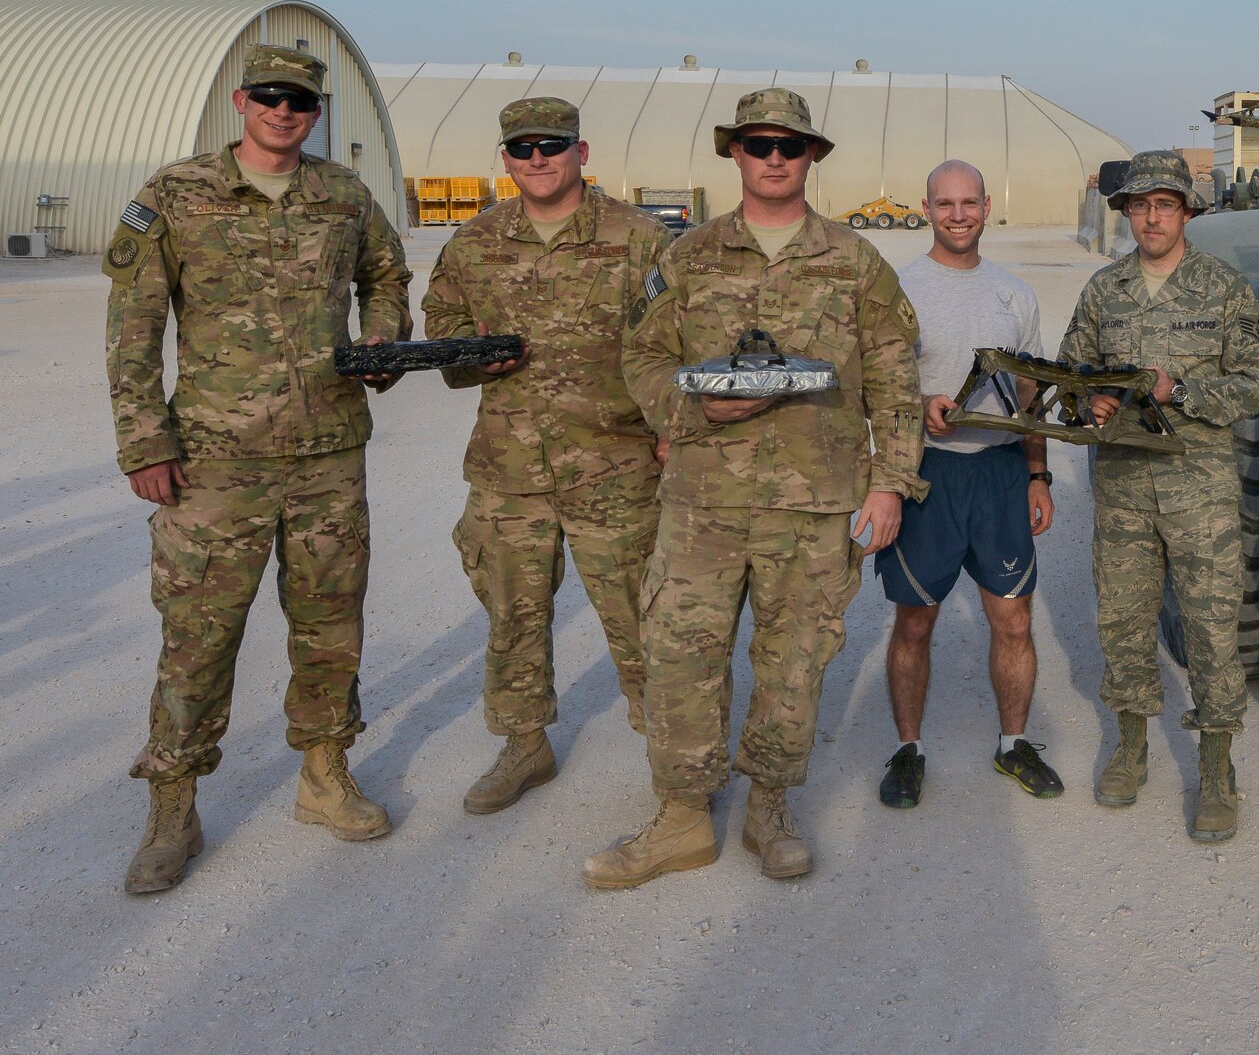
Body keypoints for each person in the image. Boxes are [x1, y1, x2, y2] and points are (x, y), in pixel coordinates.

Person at [584, 88, 926, 888]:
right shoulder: (686, 257)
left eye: (790, 146)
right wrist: (689, 404)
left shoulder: (854, 261)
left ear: (812, 158)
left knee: (795, 660)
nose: (775, 158)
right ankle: (680, 817)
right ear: (734, 153)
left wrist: (891, 484)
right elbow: (641, 357)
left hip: (814, 503)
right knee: (678, 655)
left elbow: (895, 377)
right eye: (759, 144)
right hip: (703, 499)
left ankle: (769, 805)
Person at [105, 44, 411, 895]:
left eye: (302, 102)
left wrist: (382, 337)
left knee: (329, 624)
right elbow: (133, 326)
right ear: (241, 101)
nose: (286, 111)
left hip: (326, 456)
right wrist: (145, 441)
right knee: (199, 635)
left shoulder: (343, 196)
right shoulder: (175, 195)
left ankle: (325, 773)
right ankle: (174, 803)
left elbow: (387, 273)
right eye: (271, 96)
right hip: (214, 461)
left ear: (316, 113)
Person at [421, 97, 668, 815]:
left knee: (642, 620)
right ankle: (524, 744)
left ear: (581, 153)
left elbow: (681, 340)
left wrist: (671, 432)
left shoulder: (642, 238)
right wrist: (473, 359)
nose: (538, 159)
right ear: (505, 159)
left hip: (617, 467)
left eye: (552, 146)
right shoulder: (474, 242)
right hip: (509, 470)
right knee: (512, 617)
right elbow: (442, 330)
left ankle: (673, 757)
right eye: (522, 148)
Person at [1058, 150, 1259, 842]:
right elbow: (1068, 371)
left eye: (1166, 204)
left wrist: (1177, 390)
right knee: (1122, 621)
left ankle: (1217, 765)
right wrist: (1084, 401)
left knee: (1212, 631)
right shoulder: (1104, 290)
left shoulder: (1223, 288)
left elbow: (1255, 385)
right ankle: (1130, 745)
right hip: (1122, 485)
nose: (1152, 216)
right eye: (1141, 204)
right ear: (1126, 212)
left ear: (1186, 212)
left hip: (1200, 491)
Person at [876, 160, 1059, 809]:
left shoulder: (1014, 294)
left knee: (1013, 620)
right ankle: (909, 748)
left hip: (1000, 472)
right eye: (944, 203)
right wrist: (916, 403)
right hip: (929, 473)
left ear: (987, 207)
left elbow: (1031, 390)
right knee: (916, 622)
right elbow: (875, 386)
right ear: (925, 208)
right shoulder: (899, 291)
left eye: (969, 202)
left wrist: (1037, 474)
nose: (958, 214)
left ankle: (1013, 744)